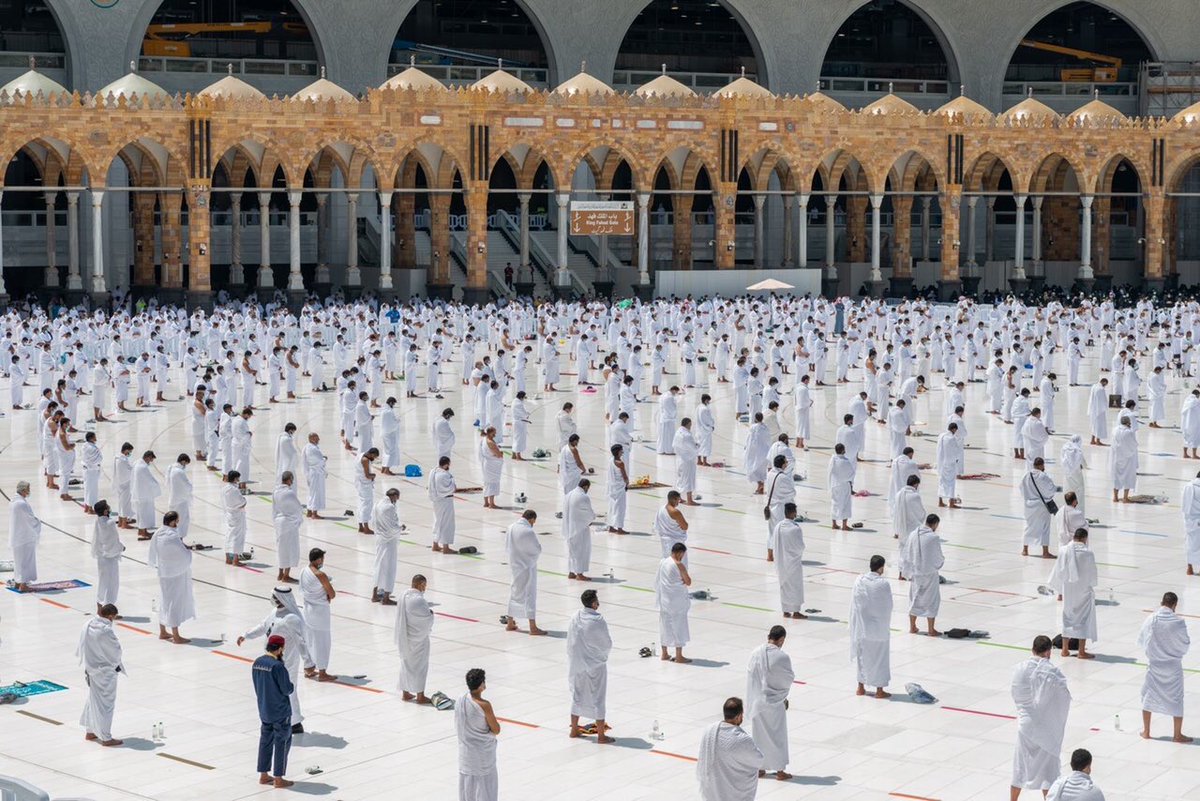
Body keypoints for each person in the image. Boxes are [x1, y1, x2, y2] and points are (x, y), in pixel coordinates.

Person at [239, 587, 311, 733]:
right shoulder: (274, 613)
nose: (273, 600)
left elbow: (301, 642)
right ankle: (281, 720)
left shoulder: (291, 618)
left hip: (287, 662)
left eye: (276, 597)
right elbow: (263, 627)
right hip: (272, 660)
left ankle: (295, 723)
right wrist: (246, 635)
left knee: (288, 691)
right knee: (275, 691)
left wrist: (308, 663)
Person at [1011, 635, 1072, 800]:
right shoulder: (1051, 672)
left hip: (1025, 726)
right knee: (1048, 773)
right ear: (1049, 652)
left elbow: (1016, 693)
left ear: (1033, 649)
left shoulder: (1019, 669)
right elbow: (1064, 697)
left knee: (1020, 768)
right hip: (1046, 730)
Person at [1137, 591, 1192, 743]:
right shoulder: (1178, 622)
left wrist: (1155, 652)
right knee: (1176, 699)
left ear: (1162, 602)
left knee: (1148, 696)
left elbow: (1143, 640)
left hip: (1155, 665)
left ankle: (1146, 731)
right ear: (1175, 605)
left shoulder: (1151, 619)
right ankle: (1177, 734)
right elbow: (1185, 644)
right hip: (1173, 667)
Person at [745, 626, 794, 781]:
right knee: (777, 737)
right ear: (781, 639)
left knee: (759, 737)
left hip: (757, 702)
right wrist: (782, 697)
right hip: (775, 703)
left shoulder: (755, 653)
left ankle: (760, 768)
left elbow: (751, 677)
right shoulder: (782, 657)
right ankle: (780, 771)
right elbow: (787, 679)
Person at [567, 589, 613, 743]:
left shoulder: (576, 617)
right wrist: (602, 656)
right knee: (598, 697)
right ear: (594, 604)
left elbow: (571, 641)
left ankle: (574, 730)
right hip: (596, 664)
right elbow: (606, 643)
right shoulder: (598, 620)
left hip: (578, 663)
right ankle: (601, 736)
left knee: (578, 695)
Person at [696, 697, 763, 801]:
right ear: (738, 716)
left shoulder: (709, 730)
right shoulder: (742, 739)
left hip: (712, 790)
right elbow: (758, 760)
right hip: (732, 793)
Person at [77, 603, 125, 747]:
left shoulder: (88, 624)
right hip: (105, 672)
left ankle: (90, 731)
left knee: (93, 699)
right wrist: (115, 665)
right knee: (106, 704)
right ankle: (106, 737)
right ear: (110, 616)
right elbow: (116, 650)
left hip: (91, 669)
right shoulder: (105, 630)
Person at [252, 635, 295, 789]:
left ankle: (263, 775)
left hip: (264, 709)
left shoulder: (257, 663)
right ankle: (278, 778)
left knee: (265, 741)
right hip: (280, 711)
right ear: (280, 648)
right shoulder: (277, 666)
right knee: (282, 742)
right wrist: (291, 685)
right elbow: (286, 689)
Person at [1048, 529, 1098, 659]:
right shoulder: (1088, 553)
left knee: (1068, 618)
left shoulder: (1063, 550)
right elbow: (1092, 575)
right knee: (1083, 620)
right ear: (1084, 538)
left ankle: (1065, 650)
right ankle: (1081, 651)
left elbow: (1058, 572)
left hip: (1068, 591)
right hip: (1083, 592)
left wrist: (1061, 589)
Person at [147, 511, 194, 644]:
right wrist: (189, 553)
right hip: (174, 574)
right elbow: (182, 554)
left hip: (163, 572)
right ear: (172, 522)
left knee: (165, 600)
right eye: (177, 521)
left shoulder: (158, 532)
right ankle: (176, 635)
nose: (178, 524)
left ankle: (162, 631)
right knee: (174, 602)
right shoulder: (172, 536)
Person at [849, 555, 892, 698]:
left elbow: (856, 604)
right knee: (880, 659)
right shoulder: (883, 584)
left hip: (862, 628)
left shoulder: (860, 581)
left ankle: (860, 688)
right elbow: (888, 605)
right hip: (879, 629)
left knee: (862, 658)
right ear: (881, 567)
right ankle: (879, 691)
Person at [455, 668, 500, 801]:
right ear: (481, 685)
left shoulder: (461, 700)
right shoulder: (485, 705)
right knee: (485, 788)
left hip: (466, 754)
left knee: (468, 788)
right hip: (482, 756)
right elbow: (496, 729)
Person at [902, 514, 945, 636]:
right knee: (931, 600)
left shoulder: (913, 534)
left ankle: (912, 627)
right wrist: (939, 563)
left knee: (915, 599)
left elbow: (907, 552)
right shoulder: (933, 538)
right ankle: (931, 630)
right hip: (929, 574)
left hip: (916, 573)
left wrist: (907, 570)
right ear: (935, 524)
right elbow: (938, 557)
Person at [505, 509, 545, 635]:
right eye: (533, 522)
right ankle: (533, 627)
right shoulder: (528, 531)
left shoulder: (511, 527)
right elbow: (537, 549)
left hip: (515, 566)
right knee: (529, 595)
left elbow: (507, 547)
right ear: (531, 519)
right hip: (527, 567)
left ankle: (510, 623)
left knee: (514, 593)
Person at [299, 548, 337, 682]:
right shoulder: (320, 575)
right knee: (322, 642)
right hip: (320, 614)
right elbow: (332, 594)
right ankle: (322, 672)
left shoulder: (303, 571)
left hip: (307, 611)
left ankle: (309, 668)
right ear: (319, 559)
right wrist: (326, 594)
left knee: (310, 640)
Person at [395, 574, 434, 704]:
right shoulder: (418, 600)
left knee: (405, 665)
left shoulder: (404, 596)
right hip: (418, 640)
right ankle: (420, 695)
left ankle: (405, 693)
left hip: (406, 637)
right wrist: (431, 615)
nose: (424, 588)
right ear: (418, 584)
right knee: (420, 667)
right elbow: (426, 620)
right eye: (424, 585)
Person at [656, 542, 692, 663]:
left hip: (665, 600)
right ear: (680, 553)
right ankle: (679, 656)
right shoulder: (679, 565)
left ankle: (664, 653)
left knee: (665, 625)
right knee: (679, 626)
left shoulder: (663, 562)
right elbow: (688, 581)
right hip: (677, 601)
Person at [371, 488, 404, 604]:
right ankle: (386, 597)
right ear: (394, 496)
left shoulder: (377, 504)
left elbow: (373, 522)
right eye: (397, 498)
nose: (396, 501)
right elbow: (392, 527)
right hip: (389, 541)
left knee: (378, 566)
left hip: (380, 539)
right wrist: (401, 528)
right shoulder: (389, 507)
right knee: (389, 567)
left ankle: (374, 595)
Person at [774, 503, 806, 619]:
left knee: (784, 586)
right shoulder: (795, 528)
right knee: (795, 586)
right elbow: (800, 547)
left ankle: (785, 611)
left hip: (782, 563)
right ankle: (796, 612)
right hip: (793, 563)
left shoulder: (778, 526)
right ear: (793, 513)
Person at [9, 480, 42, 593]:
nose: (28, 492)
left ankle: (18, 582)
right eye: (28, 489)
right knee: (25, 561)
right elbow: (30, 519)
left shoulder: (13, 501)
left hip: (16, 536)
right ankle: (23, 585)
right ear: (23, 490)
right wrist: (38, 522)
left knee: (18, 561)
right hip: (24, 537)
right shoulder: (21, 504)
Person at [1021, 458, 1058, 559]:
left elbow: (1022, 489)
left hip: (1029, 505)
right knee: (1045, 528)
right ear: (1041, 465)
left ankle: (1025, 549)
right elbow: (1051, 489)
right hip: (1042, 505)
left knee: (1029, 526)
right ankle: (1045, 552)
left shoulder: (1026, 475)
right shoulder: (1043, 476)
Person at [91, 500, 123, 614]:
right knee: (112, 584)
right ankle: (109, 610)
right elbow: (114, 540)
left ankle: (100, 607)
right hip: (110, 557)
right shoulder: (110, 523)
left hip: (101, 556)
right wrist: (121, 548)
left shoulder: (98, 521)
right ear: (105, 511)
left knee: (102, 582)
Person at [272, 472, 303, 584]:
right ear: (289, 479)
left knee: (281, 548)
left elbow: (274, 508)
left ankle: (280, 573)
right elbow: (298, 508)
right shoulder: (289, 493)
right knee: (290, 549)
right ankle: (286, 575)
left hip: (279, 522)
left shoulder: (276, 492)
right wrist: (298, 520)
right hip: (289, 523)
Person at [563, 478, 596, 581]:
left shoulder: (569, 494)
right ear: (585, 487)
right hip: (579, 529)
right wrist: (591, 519)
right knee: (581, 551)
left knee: (572, 551)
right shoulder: (583, 497)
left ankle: (571, 572)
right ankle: (579, 574)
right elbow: (589, 512)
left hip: (569, 528)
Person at [430, 456, 458, 554]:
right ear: (446, 464)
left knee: (437, 521)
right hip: (445, 500)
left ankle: (435, 545)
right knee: (447, 523)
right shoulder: (444, 475)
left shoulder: (433, 472)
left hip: (436, 501)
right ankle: (446, 547)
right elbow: (452, 487)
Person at [131, 450, 160, 540]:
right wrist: (157, 485)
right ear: (148, 457)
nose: (150, 461)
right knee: (144, 513)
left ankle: (141, 530)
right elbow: (150, 480)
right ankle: (143, 532)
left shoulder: (137, 463)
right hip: (143, 495)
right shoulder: (143, 467)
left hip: (139, 493)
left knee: (141, 513)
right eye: (151, 459)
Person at [222, 470, 248, 566]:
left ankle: (228, 558)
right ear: (235, 479)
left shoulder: (224, 489)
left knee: (229, 535)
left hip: (229, 514)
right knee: (238, 537)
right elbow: (242, 502)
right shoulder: (234, 490)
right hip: (237, 515)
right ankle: (235, 560)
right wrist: (244, 501)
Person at [1110, 415, 1138, 502]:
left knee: (1116, 477)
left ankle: (1115, 497)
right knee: (1128, 477)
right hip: (1127, 459)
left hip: (1116, 458)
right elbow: (1134, 445)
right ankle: (1125, 498)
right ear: (1128, 423)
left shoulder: (1115, 430)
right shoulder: (1129, 432)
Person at [827, 443, 854, 531]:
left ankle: (834, 524)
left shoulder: (833, 459)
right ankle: (844, 525)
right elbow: (851, 474)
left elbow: (830, 472)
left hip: (834, 485)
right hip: (844, 486)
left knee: (835, 504)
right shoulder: (845, 461)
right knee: (845, 504)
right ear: (843, 450)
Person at [655, 490, 690, 558]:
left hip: (665, 540)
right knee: (678, 562)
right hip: (676, 542)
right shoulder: (675, 512)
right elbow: (685, 526)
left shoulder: (661, 509)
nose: (678, 503)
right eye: (678, 500)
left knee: (667, 560)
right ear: (674, 499)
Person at [673, 418, 700, 505]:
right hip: (688, 460)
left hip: (679, 459)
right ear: (688, 424)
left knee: (680, 478)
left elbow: (674, 445)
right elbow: (694, 448)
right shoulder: (687, 435)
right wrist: (697, 445)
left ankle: (679, 498)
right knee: (689, 479)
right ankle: (689, 500)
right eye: (690, 425)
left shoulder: (678, 432)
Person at [1060, 435, 1088, 520]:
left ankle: (1067, 515)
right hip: (1077, 477)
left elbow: (1062, 461)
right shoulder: (1078, 450)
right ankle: (1079, 516)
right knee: (1079, 497)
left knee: (1068, 495)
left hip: (1067, 477)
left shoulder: (1064, 448)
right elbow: (1084, 464)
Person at [936, 422, 963, 508]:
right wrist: (957, 459)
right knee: (951, 483)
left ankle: (940, 502)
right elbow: (955, 451)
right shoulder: (951, 438)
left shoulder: (941, 436)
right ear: (954, 429)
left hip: (941, 463)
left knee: (941, 482)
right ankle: (951, 503)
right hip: (950, 464)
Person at [302, 432, 327, 519]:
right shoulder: (313, 448)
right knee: (316, 492)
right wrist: (324, 459)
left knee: (311, 492)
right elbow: (320, 461)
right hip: (316, 473)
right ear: (311, 439)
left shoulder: (307, 447)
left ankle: (309, 511)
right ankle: (314, 513)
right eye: (316, 438)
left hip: (311, 472)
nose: (318, 439)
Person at [355, 447, 379, 534]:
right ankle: (366, 528)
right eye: (374, 457)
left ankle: (361, 526)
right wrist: (374, 475)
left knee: (361, 504)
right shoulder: (365, 460)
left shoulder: (360, 455)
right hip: (365, 484)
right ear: (372, 454)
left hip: (359, 482)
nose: (374, 459)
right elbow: (367, 475)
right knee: (367, 505)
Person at [479, 426, 504, 509]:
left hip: (487, 463)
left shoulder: (484, 439)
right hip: (491, 465)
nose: (495, 434)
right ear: (489, 433)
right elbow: (498, 454)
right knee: (492, 482)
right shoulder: (490, 442)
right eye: (494, 433)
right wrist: (501, 453)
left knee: (486, 482)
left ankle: (486, 502)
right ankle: (491, 504)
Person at [607, 444, 629, 534]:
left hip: (612, 487)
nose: (622, 452)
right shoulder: (620, 463)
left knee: (612, 507)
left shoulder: (610, 460)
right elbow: (624, 476)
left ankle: (611, 526)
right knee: (620, 508)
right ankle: (620, 528)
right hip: (620, 488)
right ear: (617, 452)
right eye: (621, 450)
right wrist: (627, 484)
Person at [1087, 378, 1108, 446]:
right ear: (1104, 382)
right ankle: (1098, 441)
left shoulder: (1094, 386)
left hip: (1093, 410)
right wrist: (1106, 407)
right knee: (1099, 426)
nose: (1105, 386)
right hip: (1099, 410)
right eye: (1105, 384)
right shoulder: (1101, 389)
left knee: (1094, 425)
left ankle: (1092, 440)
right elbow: (1103, 400)